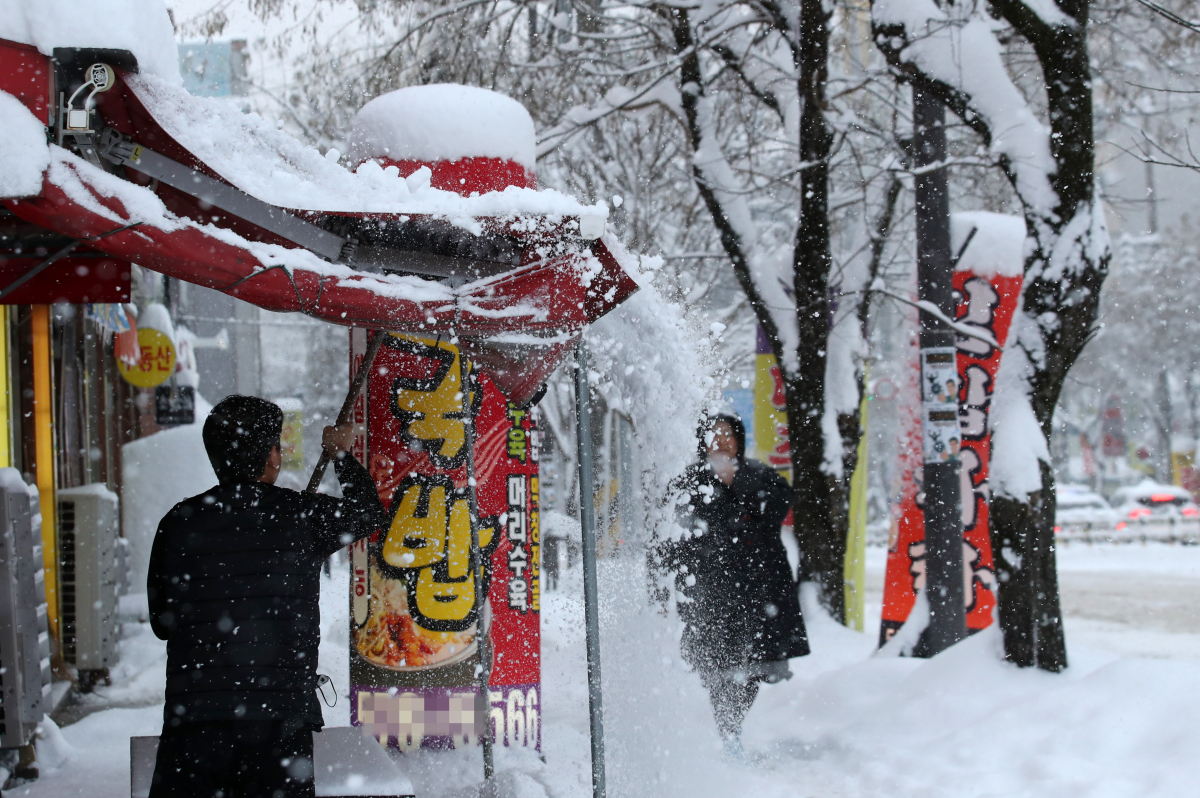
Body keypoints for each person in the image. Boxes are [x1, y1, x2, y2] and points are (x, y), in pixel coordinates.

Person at [147, 395, 385, 798]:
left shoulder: (178, 523)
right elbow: (367, 513)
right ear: (272, 455)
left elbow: (162, 623)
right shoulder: (301, 516)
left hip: (194, 724)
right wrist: (340, 454)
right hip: (279, 724)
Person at [657, 412, 809, 758]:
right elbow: (671, 535)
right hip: (709, 590)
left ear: (739, 440)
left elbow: (779, 509)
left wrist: (739, 488)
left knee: (752, 666)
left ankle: (732, 726)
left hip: (757, 589)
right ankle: (726, 730)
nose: (721, 440)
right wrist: (663, 583)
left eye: (728, 434)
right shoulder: (689, 482)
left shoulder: (761, 476)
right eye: (714, 434)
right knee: (718, 666)